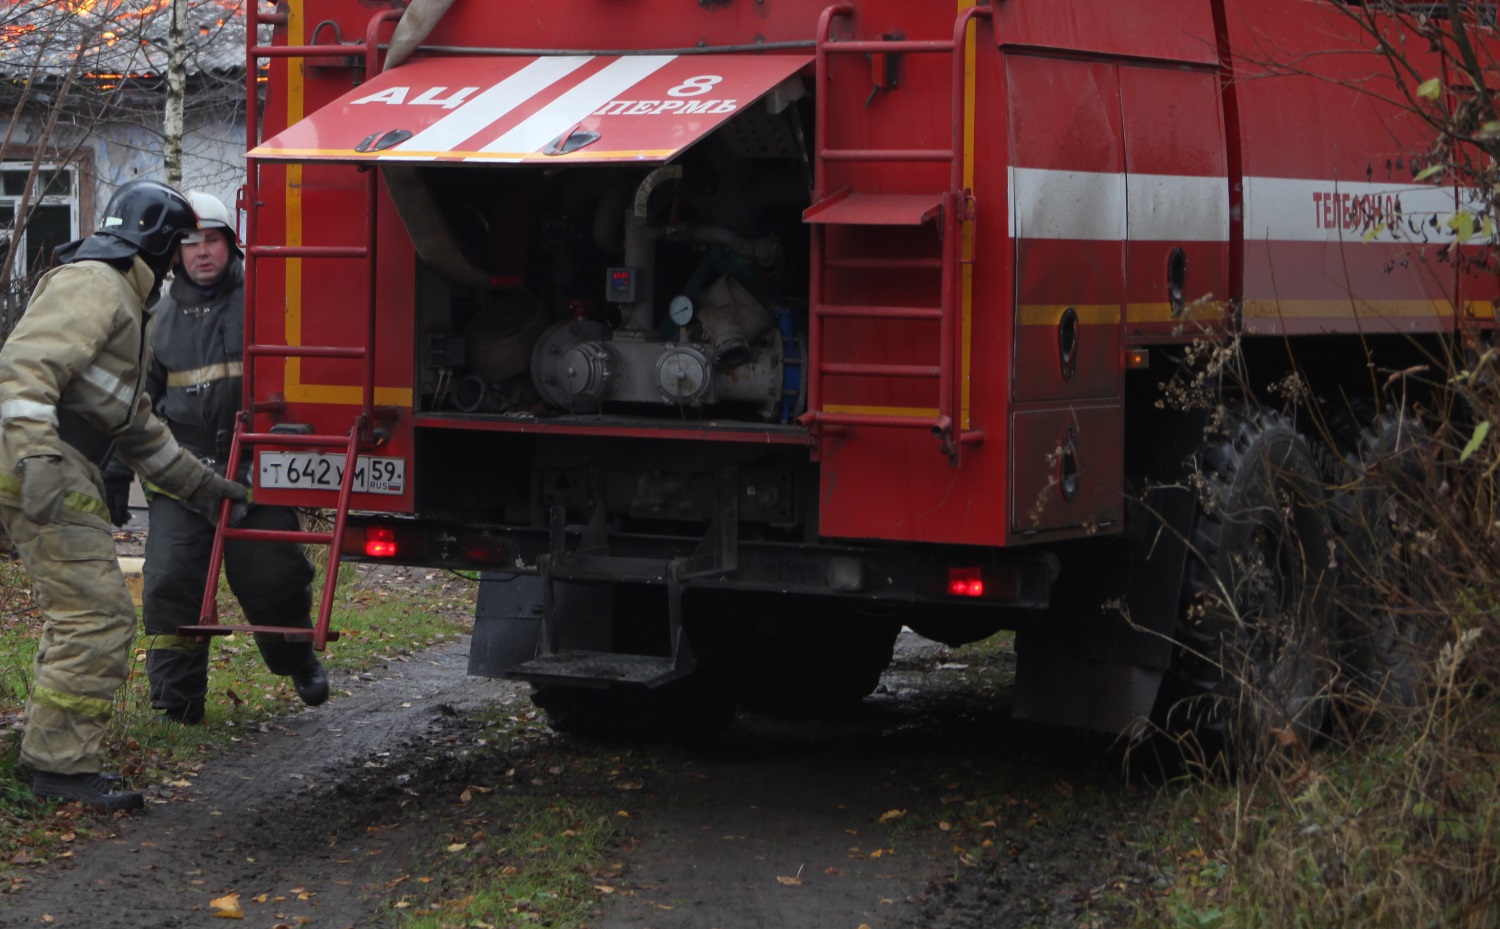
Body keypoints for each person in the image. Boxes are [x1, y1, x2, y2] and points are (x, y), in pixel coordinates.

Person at [0, 179, 249, 812]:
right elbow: (24, 369)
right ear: (160, 244)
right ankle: (60, 768)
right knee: (98, 616)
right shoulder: (96, 285)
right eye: (176, 249)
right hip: (47, 463)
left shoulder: (121, 300)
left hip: (56, 461)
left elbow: (135, 425)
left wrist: (206, 489)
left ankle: (47, 753)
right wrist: (34, 457)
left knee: (82, 613)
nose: (178, 265)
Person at [106, 191, 328, 728]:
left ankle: (295, 659)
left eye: (211, 240)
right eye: (189, 242)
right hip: (180, 474)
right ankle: (176, 704)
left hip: (254, 469)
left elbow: (302, 384)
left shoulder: (269, 302)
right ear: (174, 251)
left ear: (231, 244)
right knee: (169, 583)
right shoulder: (155, 320)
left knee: (271, 578)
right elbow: (131, 399)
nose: (201, 252)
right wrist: (114, 472)